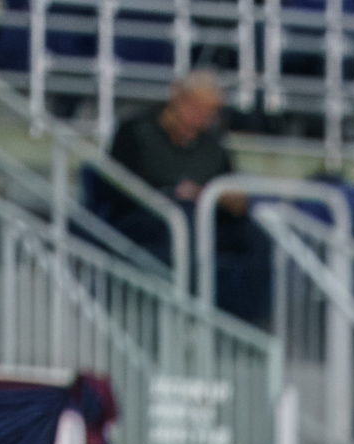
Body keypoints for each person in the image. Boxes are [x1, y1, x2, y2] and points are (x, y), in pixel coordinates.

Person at [108, 71, 265, 322]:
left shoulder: (213, 145)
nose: (203, 116)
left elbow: (225, 187)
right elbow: (118, 190)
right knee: (185, 217)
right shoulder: (135, 131)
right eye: (197, 106)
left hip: (205, 220)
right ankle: (189, 316)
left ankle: (254, 322)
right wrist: (173, 193)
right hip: (146, 220)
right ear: (178, 98)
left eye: (210, 111)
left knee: (256, 232)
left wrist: (226, 200)